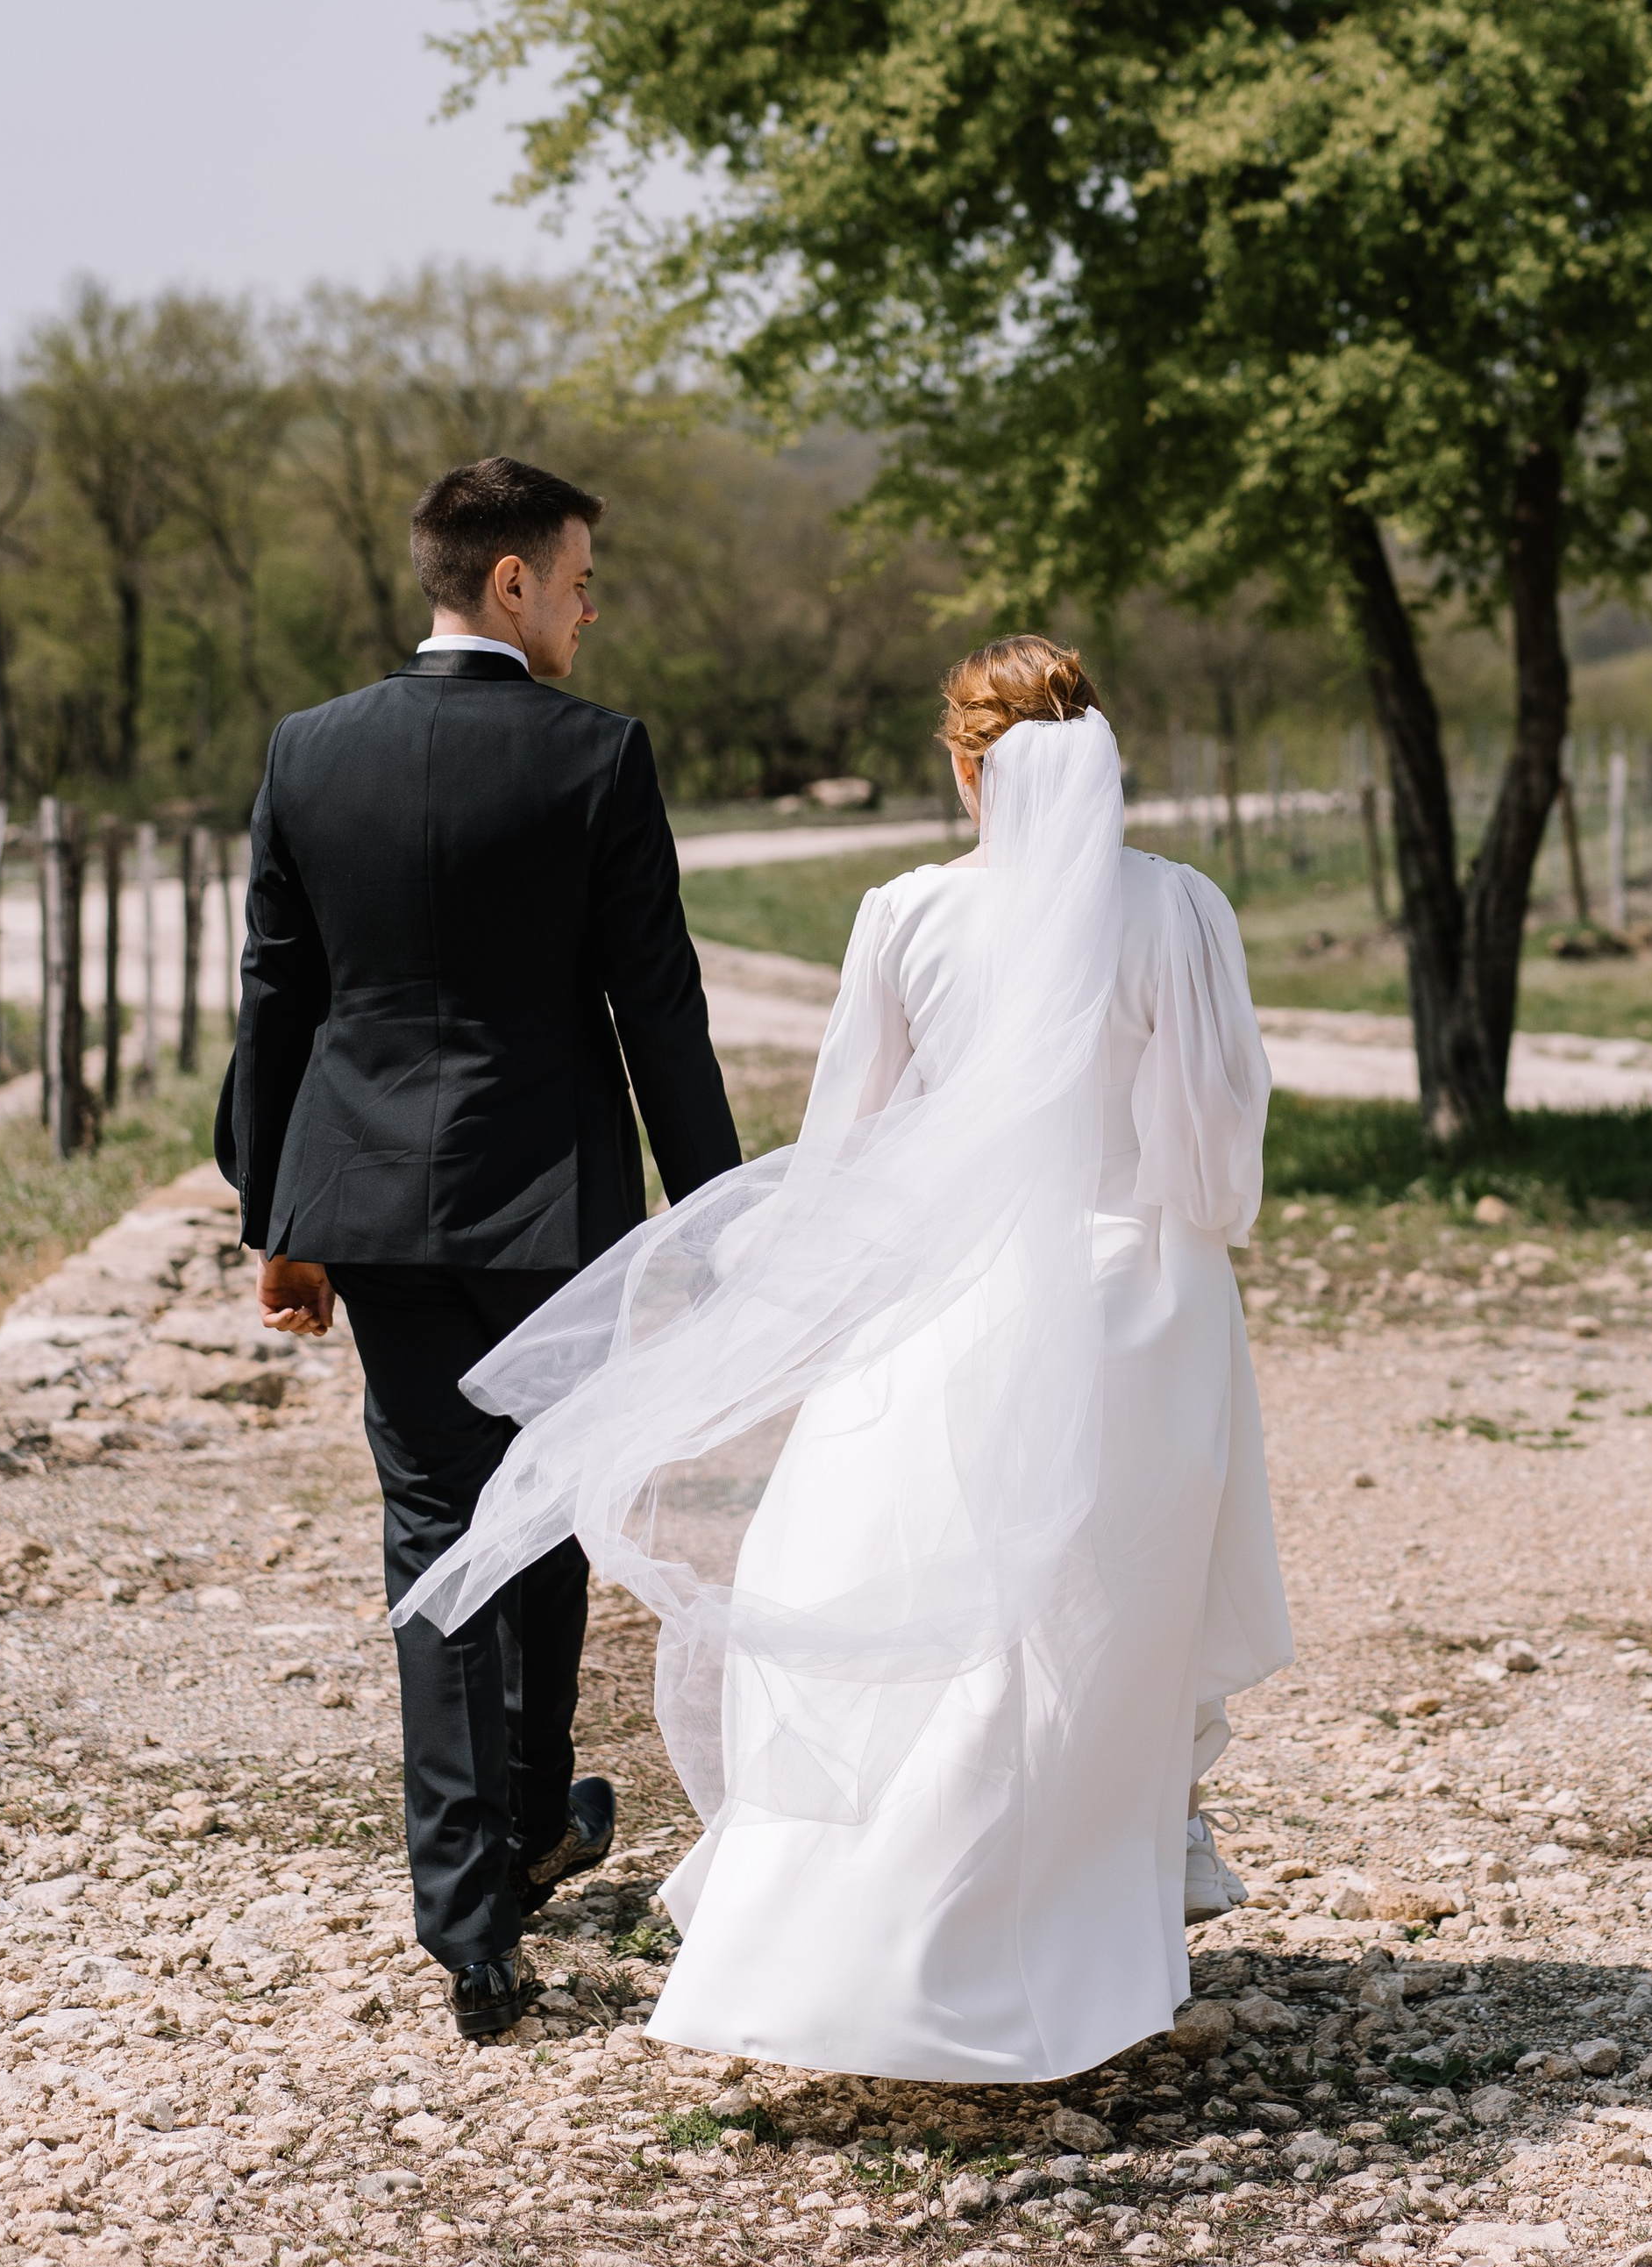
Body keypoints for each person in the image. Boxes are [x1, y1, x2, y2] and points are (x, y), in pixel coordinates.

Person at [402, 637, 1291, 2084]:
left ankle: (845, 1935)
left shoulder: (904, 916)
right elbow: (1214, 1162)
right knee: (1095, 1623)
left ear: (965, 769)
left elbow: (848, 1145)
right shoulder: (1181, 911)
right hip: (1144, 1301)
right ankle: (1078, 1933)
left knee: (911, 1604)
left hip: (942, 1307)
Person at [216, 454, 742, 2042]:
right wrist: (714, 1218)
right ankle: (519, 1824)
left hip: (367, 1206)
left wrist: (274, 1216)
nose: (592, 604)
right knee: (551, 1501)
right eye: (579, 577)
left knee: (435, 1526)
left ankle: (468, 1917)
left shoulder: (311, 751)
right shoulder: (596, 758)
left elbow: (276, 997)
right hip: (550, 1208)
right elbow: (657, 1003)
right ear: (509, 581)